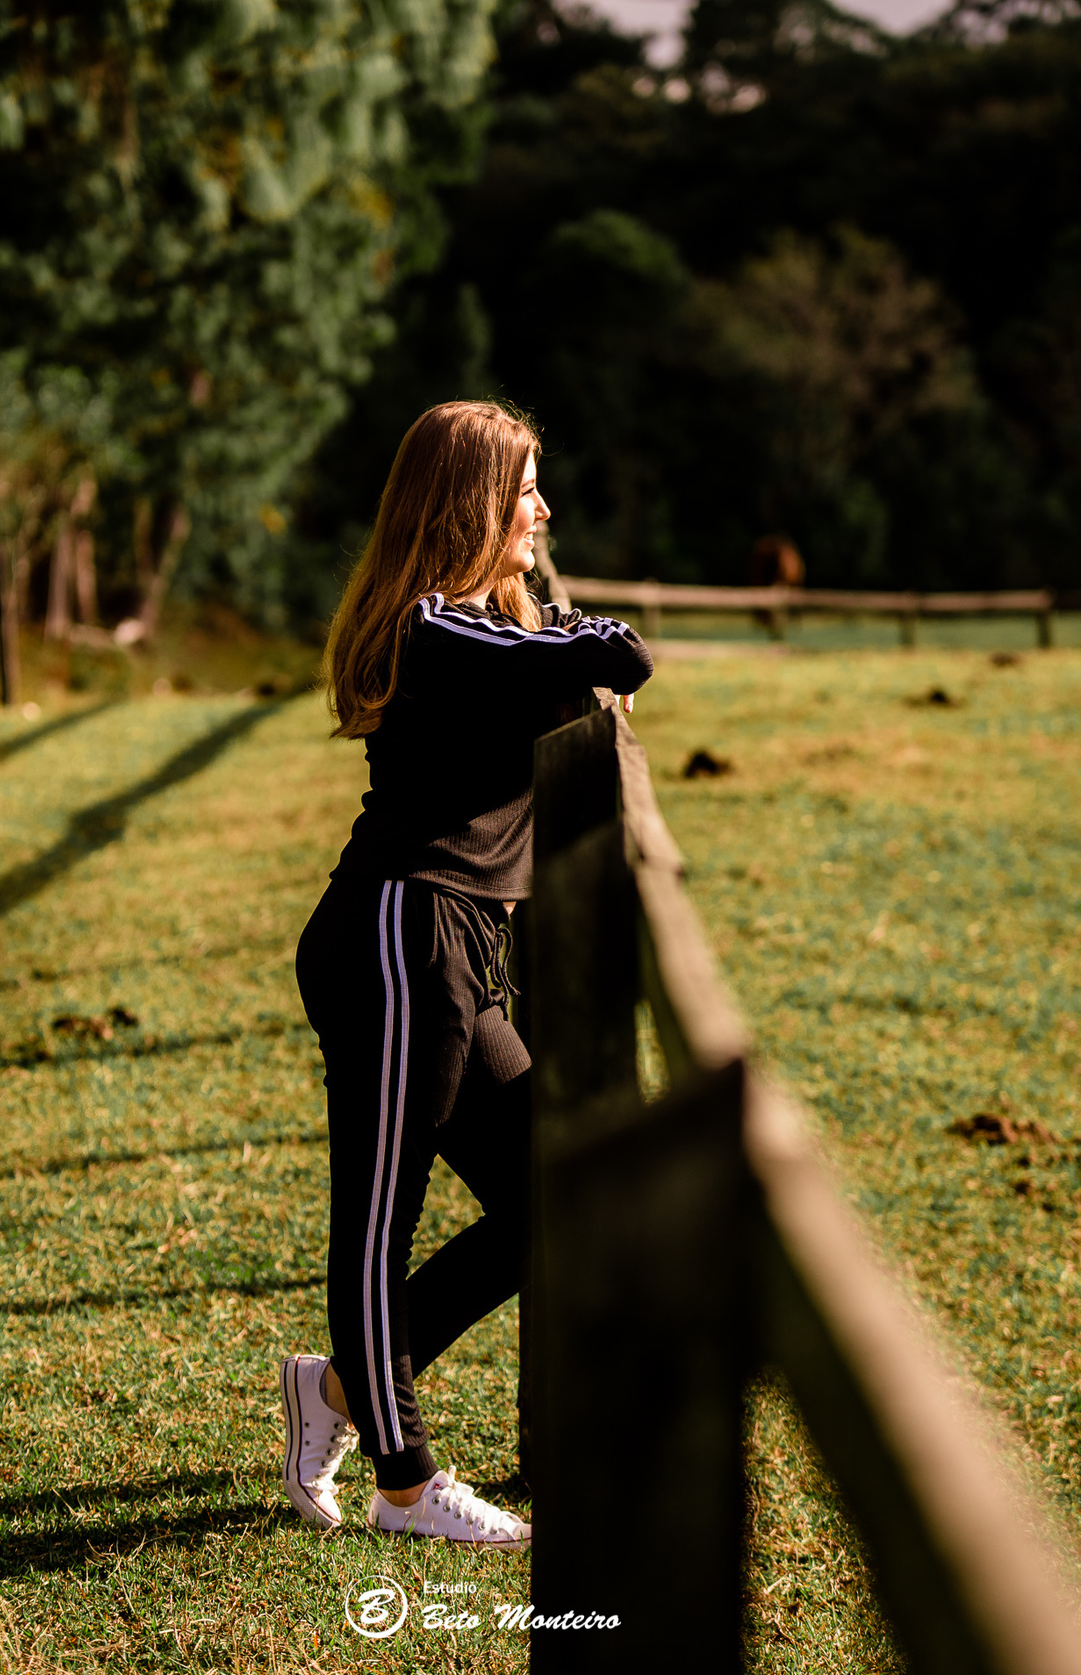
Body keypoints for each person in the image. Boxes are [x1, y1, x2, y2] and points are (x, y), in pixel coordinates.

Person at [283, 401, 653, 1546]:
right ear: (473, 504)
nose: (542, 508)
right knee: (380, 1213)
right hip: (402, 940)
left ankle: (339, 1392)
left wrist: (565, 625)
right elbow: (611, 649)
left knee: (559, 1192)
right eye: (526, 489)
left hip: (447, 948)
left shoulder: (470, 632)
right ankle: (405, 1483)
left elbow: (565, 644)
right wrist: (582, 636)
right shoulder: (439, 630)